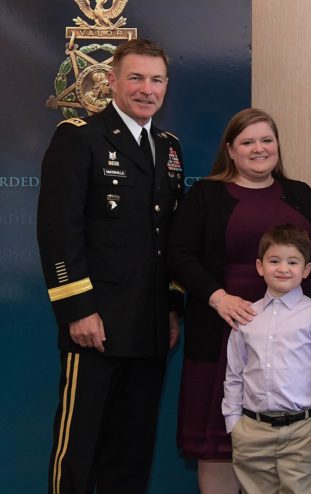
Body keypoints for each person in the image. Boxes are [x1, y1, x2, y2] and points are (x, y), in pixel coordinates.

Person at [37, 38, 184, 493]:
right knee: (77, 452)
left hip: (150, 328)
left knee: (131, 453)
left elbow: (173, 235)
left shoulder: (168, 146)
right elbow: (58, 230)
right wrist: (78, 308)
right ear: (113, 81)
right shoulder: (79, 136)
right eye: (136, 78)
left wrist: (173, 306)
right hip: (95, 324)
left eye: (156, 79)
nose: (146, 89)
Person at [167, 108, 311, 493]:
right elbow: (177, 254)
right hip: (222, 336)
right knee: (219, 445)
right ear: (231, 151)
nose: (259, 149)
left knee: (289, 450)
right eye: (248, 142)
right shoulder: (206, 194)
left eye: (266, 140)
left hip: (293, 345)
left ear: (277, 146)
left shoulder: (300, 194)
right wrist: (218, 299)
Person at [222, 224, 311, 494]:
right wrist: (234, 422)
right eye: (274, 261)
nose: (283, 268)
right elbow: (234, 373)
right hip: (252, 431)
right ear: (260, 266)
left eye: (292, 262)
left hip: (302, 431)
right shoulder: (247, 316)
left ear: (306, 270)